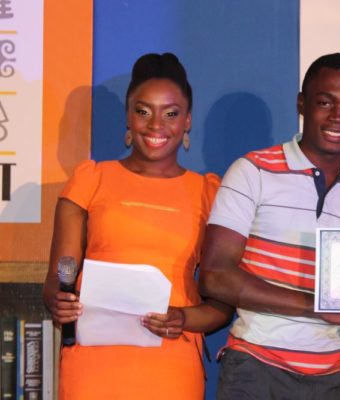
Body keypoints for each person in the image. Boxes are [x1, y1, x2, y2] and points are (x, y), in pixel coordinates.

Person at [199, 53, 340, 399]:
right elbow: (215, 276)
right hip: (255, 371)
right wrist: (317, 306)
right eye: (325, 102)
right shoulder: (252, 171)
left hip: (336, 381)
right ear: (302, 103)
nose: (339, 117)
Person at [43, 53, 232, 400]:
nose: (156, 125)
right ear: (128, 119)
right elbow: (57, 278)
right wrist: (59, 300)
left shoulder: (210, 193)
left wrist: (183, 319)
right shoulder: (91, 180)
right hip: (93, 360)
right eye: (143, 111)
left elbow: (223, 305)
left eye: (171, 113)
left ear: (188, 121)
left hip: (170, 360)